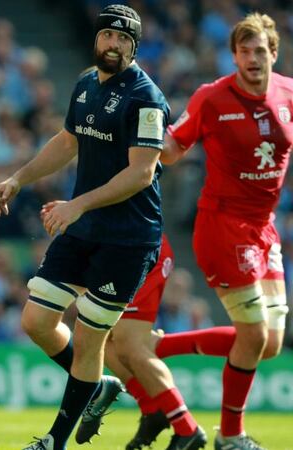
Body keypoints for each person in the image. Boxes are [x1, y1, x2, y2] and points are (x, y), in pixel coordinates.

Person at [0, 5, 169, 450]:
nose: (113, 44)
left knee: (89, 340)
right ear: (96, 40)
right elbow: (67, 141)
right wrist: (18, 177)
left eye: (122, 38)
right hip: (84, 226)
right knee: (35, 320)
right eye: (107, 36)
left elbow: (142, 173)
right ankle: (98, 385)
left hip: (127, 238)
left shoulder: (146, 98)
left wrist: (77, 204)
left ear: (134, 45)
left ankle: (55, 440)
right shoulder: (86, 83)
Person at [161, 12, 292, 450]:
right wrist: (144, 135)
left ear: (274, 52)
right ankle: (230, 437)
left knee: (269, 345)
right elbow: (173, 149)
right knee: (253, 335)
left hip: (264, 228)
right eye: (243, 51)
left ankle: (156, 351)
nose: (252, 59)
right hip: (222, 224)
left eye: (260, 51)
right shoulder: (212, 98)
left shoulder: (289, 93)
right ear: (233, 54)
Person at [75, 235, 206, 449]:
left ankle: (187, 428)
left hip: (141, 247)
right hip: (117, 249)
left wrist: (75, 207)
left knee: (131, 345)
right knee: (98, 336)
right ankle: (152, 408)